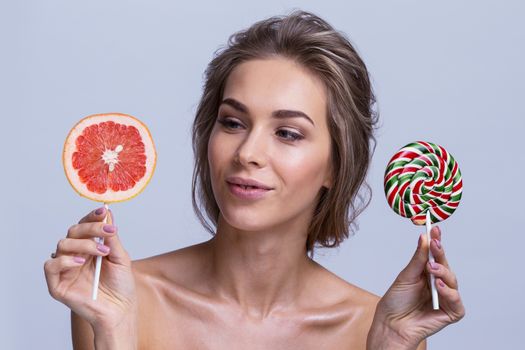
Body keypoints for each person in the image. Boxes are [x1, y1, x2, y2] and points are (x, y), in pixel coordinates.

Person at [44, 10, 465, 349]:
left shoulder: (372, 328)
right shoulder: (121, 299)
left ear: (337, 166)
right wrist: (114, 334)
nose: (247, 153)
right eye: (232, 123)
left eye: (287, 133)